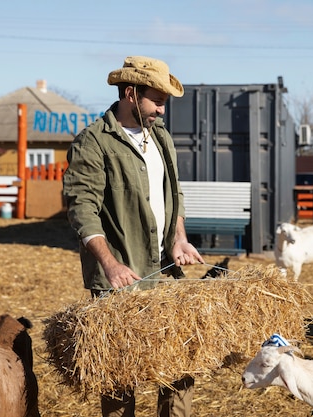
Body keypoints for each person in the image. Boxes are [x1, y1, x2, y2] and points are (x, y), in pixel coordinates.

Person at [62, 55, 204, 417]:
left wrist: (179, 239)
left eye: (164, 102)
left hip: (165, 273)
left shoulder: (162, 139)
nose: (161, 110)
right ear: (129, 93)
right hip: (120, 281)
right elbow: (82, 209)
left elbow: (174, 194)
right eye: (156, 100)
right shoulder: (93, 143)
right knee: (120, 377)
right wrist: (110, 265)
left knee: (177, 370)